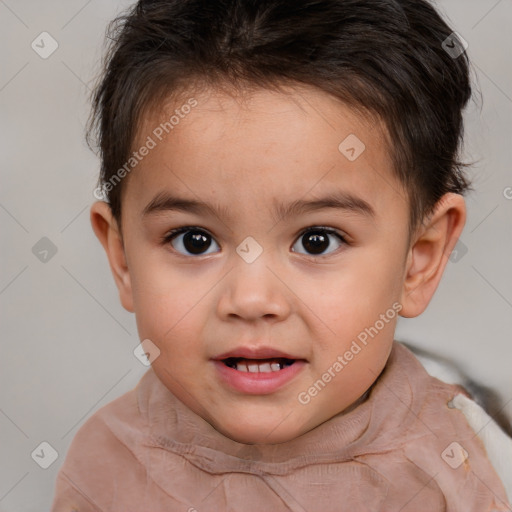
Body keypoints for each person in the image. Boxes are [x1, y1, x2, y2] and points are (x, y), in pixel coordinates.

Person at [51, 0, 511, 510]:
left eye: (317, 240)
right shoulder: (107, 465)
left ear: (419, 259)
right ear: (123, 260)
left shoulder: (461, 467)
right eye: (194, 240)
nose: (251, 300)